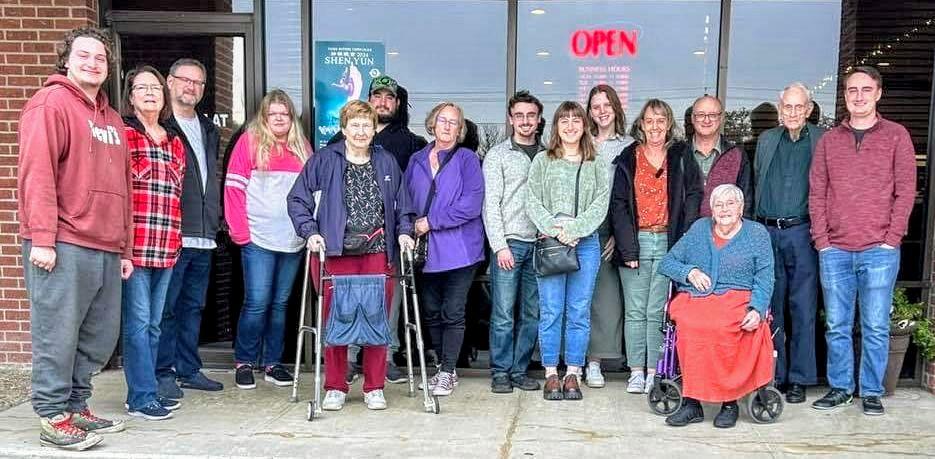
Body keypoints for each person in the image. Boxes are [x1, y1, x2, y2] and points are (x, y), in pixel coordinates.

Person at [18, 27, 131, 450]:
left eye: (100, 57)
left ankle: (77, 404)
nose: (92, 63)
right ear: (66, 60)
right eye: (83, 55)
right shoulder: (50, 104)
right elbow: (37, 174)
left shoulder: (112, 119)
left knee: (98, 336)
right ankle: (52, 415)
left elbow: (124, 188)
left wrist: (124, 247)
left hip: (105, 245)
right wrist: (43, 238)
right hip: (62, 241)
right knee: (57, 334)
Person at [288, 100, 414, 410]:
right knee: (337, 318)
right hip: (336, 251)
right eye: (354, 125)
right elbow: (297, 199)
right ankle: (335, 385)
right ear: (343, 129)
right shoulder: (324, 159)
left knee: (375, 318)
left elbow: (404, 204)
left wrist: (404, 231)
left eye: (366, 125)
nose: (360, 131)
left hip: (377, 252)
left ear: (374, 130)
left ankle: (374, 386)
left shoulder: (386, 162)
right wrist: (310, 231)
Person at [810, 66, 916, 416]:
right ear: (844, 96)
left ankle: (871, 391)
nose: (858, 96)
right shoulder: (829, 141)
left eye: (866, 89)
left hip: (879, 251)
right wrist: (822, 241)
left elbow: (906, 192)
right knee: (837, 325)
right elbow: (817, 193)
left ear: (878, 93)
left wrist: (892, 239)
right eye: (852, 90)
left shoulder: (897, 136)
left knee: (875, 325)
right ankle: (841, 388)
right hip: (835, 249)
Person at [328, 75, 427, 383]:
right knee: (347, 299)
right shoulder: (337, 144)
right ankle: (349, 358)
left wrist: (407, 227)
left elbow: (410, 192)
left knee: (386, 301)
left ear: (397, 103)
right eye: (377, 96)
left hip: (387, 239)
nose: (383, 102)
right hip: (345, 241)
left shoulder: (411, 143)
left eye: (389, 97)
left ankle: (386, 357)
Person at [658, 184, 775, 428]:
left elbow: (765, 276)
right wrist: (689, 272)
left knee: (724, 328)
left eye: (730, 203)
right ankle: (692, 403)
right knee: (690, 324)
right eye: (718, 205)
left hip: (739, 297)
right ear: (711, 210)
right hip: (698, 296)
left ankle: (729, 403)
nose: (724, 209)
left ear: (741, 207)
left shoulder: (757, 233)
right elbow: (667, 262)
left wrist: (757, 308)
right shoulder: (700, 229)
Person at [610, 99, 703, 395]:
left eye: (661, 120)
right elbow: (619, 205)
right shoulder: (629, 157)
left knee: (657, 311)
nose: (655, 126)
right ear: (641, 124)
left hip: (667, 241)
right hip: (635, 241)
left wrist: (685, 236)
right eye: (649, 120)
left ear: (669, 124)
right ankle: (636, 372)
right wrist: (628, 248)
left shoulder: (681, 155)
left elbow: (694, 194)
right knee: (635, 311)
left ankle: (654, 371)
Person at [225, 90, 310, 390]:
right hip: (258, 238)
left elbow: (314, 193)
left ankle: (273, 363)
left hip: (292, 240)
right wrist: (240, 232)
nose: (279, 119)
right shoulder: (249, 142)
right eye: (273, 113)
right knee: (257, 302)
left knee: (280, 304)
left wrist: (309, 230)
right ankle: (245, 361)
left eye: (284, 114)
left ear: (291, 118)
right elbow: (233, 189)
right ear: (263, 117)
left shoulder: (302, 148)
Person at [526, 101, 609, 401]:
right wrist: (555, 228)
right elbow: (532, 200)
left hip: (585, 244)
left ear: (585, 125)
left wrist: (575, 230)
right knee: (551, 310)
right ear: (556, 126)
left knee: (578, 311)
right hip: (551, 242)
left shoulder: (596, 161)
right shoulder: (543, 160)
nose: (570, 126)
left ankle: (573, 372)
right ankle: (551, 373)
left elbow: (601, 202)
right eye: (564, 120)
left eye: (576, 120)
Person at [405, 101, 485, 397]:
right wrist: (409, 226)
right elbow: (406, 199)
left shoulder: (467, 159)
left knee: (452, 311)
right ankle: (441, 367)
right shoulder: (416, 160)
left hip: (461, 250)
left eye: (454, 122)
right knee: (430, 311)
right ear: (432, 124)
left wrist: (431, 221)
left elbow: (471, 204)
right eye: (443, 120)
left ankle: (449, 371)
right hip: (426, 251)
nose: (448, 126)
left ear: (460, 129)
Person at [120, 65, 186, 421]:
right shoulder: (125, 135)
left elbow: (176, 195)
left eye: (155, 88)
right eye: (142, 88)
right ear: (130, 97)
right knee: (139, 324)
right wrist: (121, 247)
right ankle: (141, 397)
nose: (149, 93)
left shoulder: (174, 142)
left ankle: (150, 389)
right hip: (135, 249)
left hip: (167, 247)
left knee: (156, 324)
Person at [157, 58, 225, 397]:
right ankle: (162, 372)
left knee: (193, 306)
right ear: (169, 82)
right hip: (173, 232)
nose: (191, 87)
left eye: (198, 82)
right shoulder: (160, 125)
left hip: (204, 233)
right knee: (166, 308)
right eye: (185, 80)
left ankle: (188, 368)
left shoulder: (209, 129)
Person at [754, 82, 824, 404]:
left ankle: (799, 378)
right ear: (780, 109)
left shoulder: (821, 140)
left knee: (803, 307)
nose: (793, 112)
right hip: (768, 231)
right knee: (772, 307)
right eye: (787, 107)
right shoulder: (767, 140)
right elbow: (757, 180)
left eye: (799, 107)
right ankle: (774, 374)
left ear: (808, 109)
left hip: (803, 232)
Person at [483, 90, 545, 394]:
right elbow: (490, 205)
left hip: (541, 245)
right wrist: (500, 246)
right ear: (510, 119)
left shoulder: (549, 154)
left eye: (530, 115)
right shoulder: (498, 155)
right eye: (519, 115)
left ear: (539, 119)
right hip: (510, 243)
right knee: (504, 313)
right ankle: (500, 372)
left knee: (532, 314)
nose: (525, 121)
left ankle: (520, 371)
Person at [584, 84, 634, 388]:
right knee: (576, 299)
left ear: (616, 107)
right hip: (577, 230)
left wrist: (619, 233)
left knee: (604, 301)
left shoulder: (629, 146)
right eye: (595, 106)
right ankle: (570, 360)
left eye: (606, 105)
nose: (602, 111)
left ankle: (595, 363)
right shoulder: (581, 140)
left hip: (609, 231)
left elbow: (631, 196)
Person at [689, 95, 753, 217]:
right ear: (693, 118)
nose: (706, 120)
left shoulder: (737, 155)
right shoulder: (678, 154)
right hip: (685, 228)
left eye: (712, 115)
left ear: (721, 118)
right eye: (701, 115)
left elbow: (746, 202)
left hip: (726, 228)